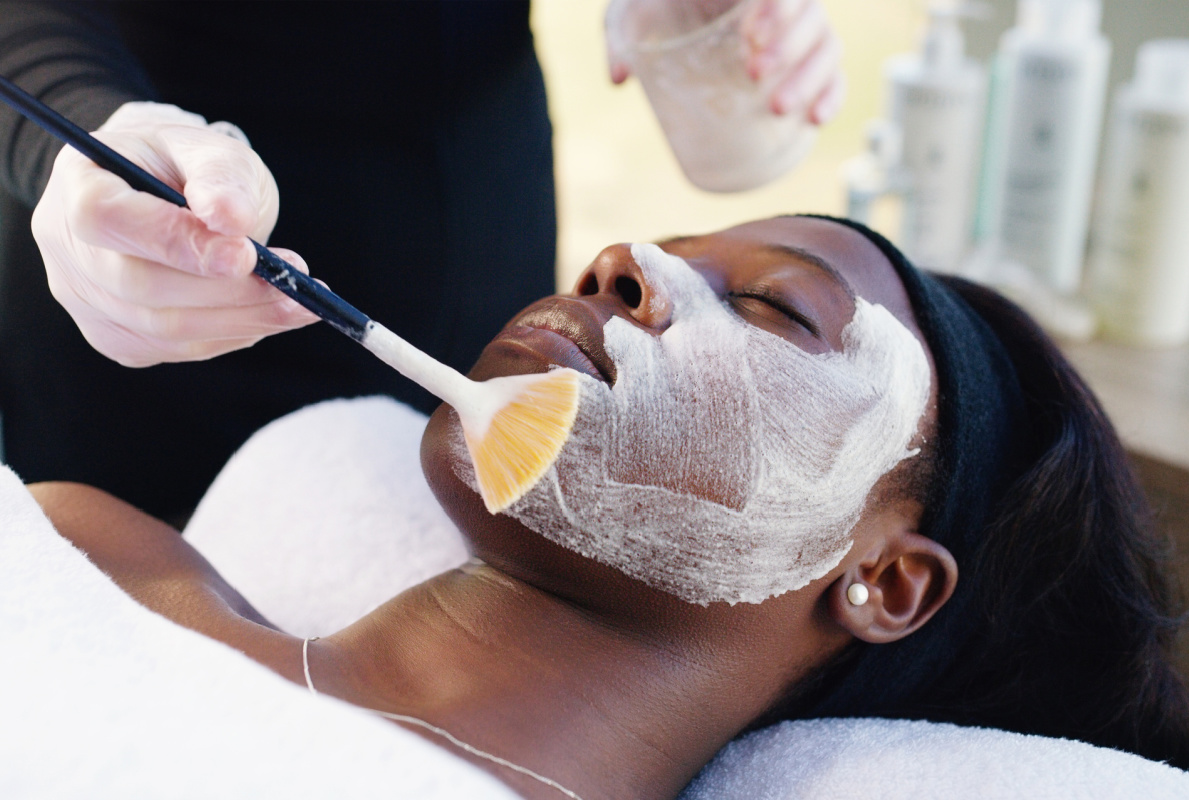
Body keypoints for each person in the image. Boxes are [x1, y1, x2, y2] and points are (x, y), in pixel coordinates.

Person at [27, 216, 1189, 799]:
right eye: (650, 242)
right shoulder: (80, 546)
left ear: (884, 581)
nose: (620, 260)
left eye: (779, 309)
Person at [0, 0, 844, 522]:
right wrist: (79, 134)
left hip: (481, 192)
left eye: (776, 310)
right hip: (163, 260)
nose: (622, 269)